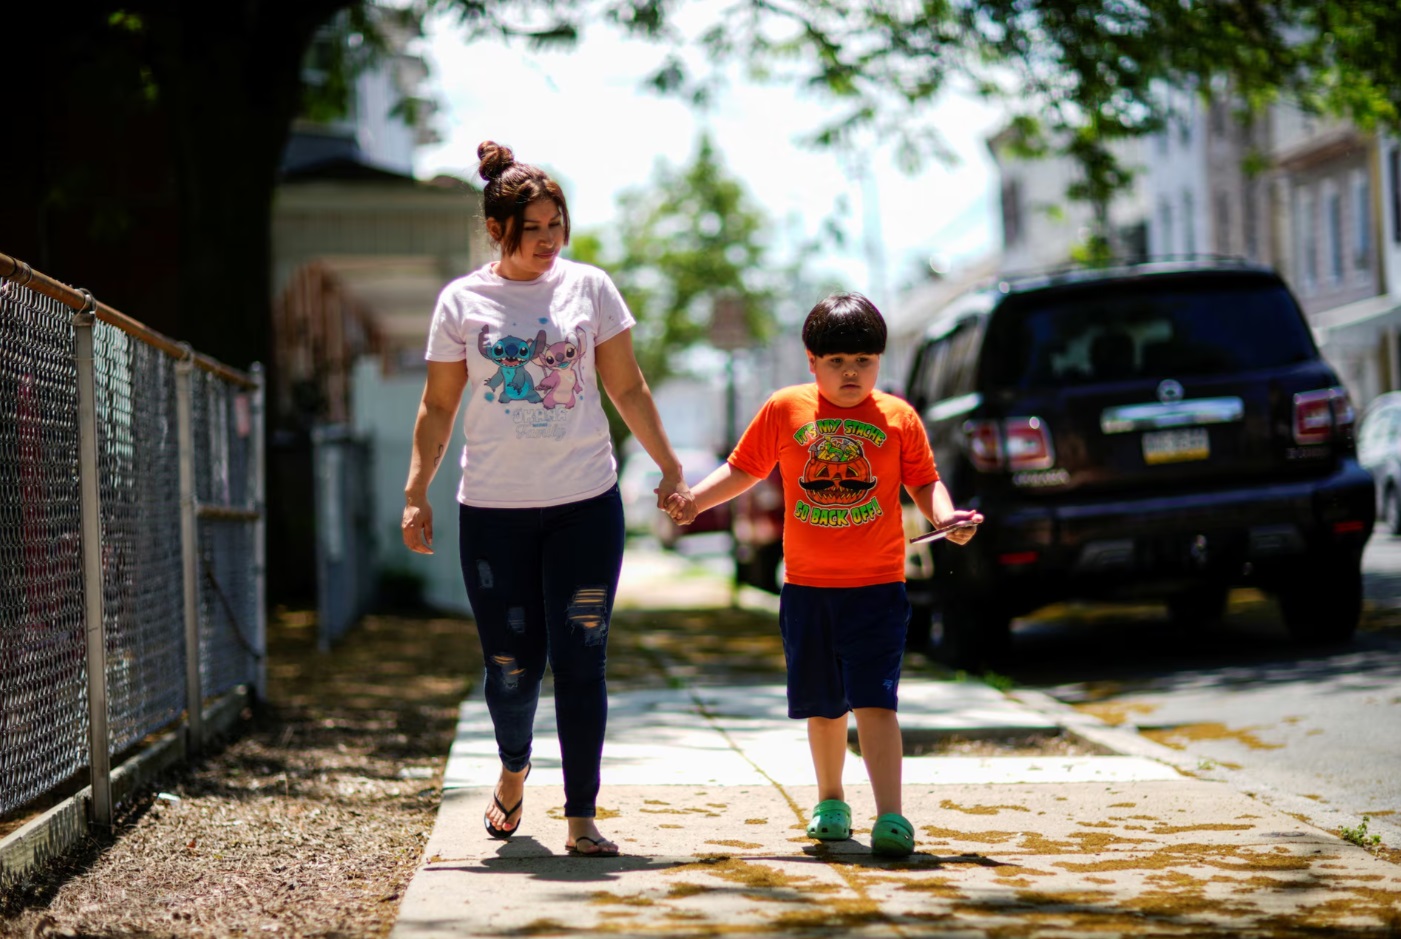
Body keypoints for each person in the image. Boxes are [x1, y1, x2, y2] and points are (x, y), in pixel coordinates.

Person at [402, 140, 695, 858]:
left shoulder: (590, 289)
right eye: (530, 227)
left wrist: (668, 465)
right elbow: (438, 407)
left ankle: (581, 815)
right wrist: (416, 491)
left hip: (585, 502)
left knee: (582, 655)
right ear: (497, 230)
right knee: (511, 666)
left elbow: (626, 386)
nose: (546, 240)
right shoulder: (462, 301)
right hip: (493, 511)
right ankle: (512, 768)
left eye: (555, 223)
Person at [667, 292, 981, 856]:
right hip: (808, 590)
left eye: (863, 360)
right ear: (811, 361)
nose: (851, 372)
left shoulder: (897, 417)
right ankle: (831, 801)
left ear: (879, 361)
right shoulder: (787, 409)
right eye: (836, 361)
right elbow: (743, 469)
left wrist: (946, 517)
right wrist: (694, 500)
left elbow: (925, 481)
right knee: (823, 705)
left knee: (877, 703)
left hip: (879, 588)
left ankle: (892, 817)